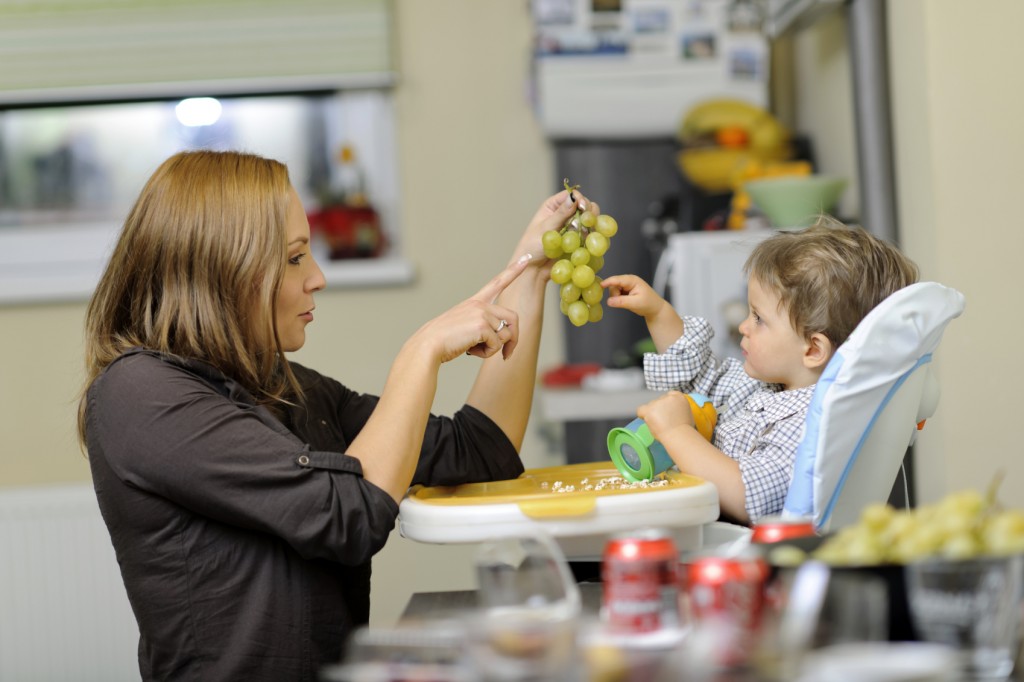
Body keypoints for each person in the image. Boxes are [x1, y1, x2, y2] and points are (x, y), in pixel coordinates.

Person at [77, 150, 596, 681]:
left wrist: (530, 270)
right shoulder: (140, 394)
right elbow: (349, 513)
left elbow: (481, 450)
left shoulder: (284, 389)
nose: (318, 278)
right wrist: (421, 353)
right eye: (295, 257)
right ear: (223, 266)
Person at [601, 218, 919, 525]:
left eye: (758, 318)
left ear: (812, 349)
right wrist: (657, 312)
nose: (743, 326)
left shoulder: (811, 426)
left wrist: (675, 433)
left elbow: (747, 498)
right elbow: (699, 374)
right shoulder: (768, 387)